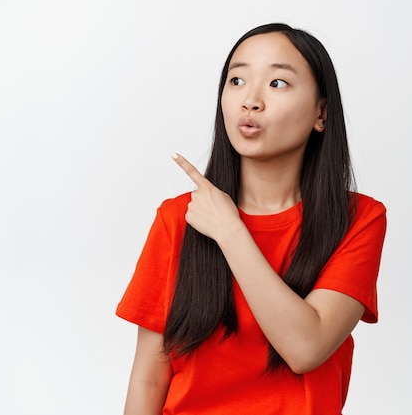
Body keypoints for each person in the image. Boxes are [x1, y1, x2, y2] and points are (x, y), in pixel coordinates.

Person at [116, 23, 387, 414]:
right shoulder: (179, 218)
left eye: (277, 83)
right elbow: (148, 377)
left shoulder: (358, 219)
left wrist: (231, 232)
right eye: (237, 80)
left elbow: (306, 347)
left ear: (321, 113)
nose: (250, 101)